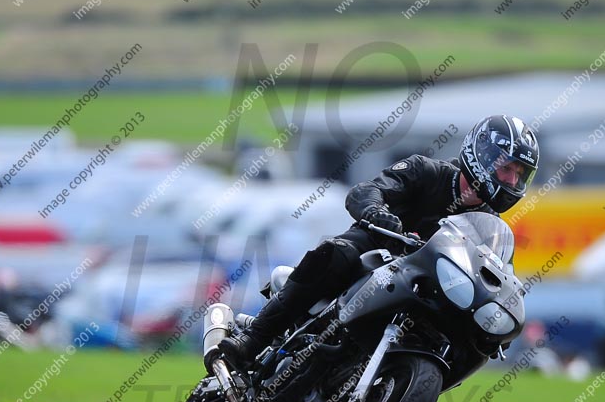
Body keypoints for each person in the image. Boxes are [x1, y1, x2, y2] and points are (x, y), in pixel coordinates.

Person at [206, 114, 539, 372]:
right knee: (338, 253)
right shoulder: (427, 171)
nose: (511, 180)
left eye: (519, 174)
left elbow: (495, 276)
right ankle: (255, 338)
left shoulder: (490, 228)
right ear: (481, 153)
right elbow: (367, 190)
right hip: (374, 256)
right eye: (506, 168)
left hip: (421, 293)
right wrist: (378, 212)